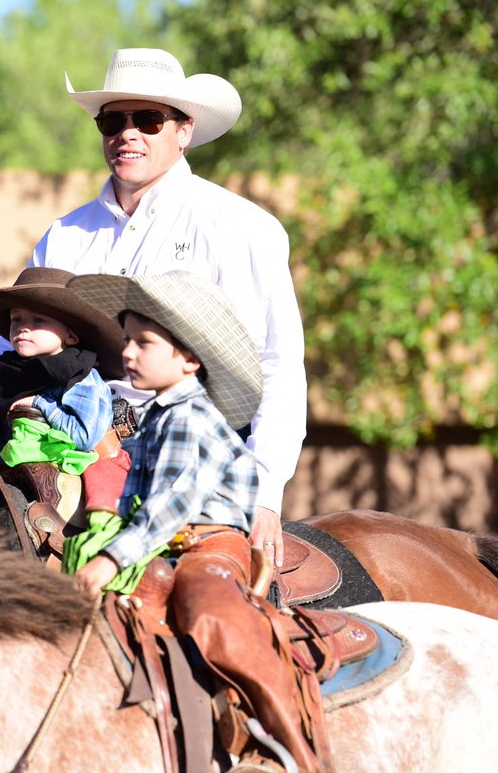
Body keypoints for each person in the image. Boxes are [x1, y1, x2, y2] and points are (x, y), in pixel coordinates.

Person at [0, 47, 306, 567]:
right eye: (113, 120)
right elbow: (15, 337)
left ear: (184, 130)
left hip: (189, 459)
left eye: (148, 119)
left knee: (202, 613)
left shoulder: (239, 227)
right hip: (69, 449)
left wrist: (265, 492)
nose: (127, 133)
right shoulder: (66, 235)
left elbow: (278, 364)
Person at [65, 271, 327, 773]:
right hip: (164, 546)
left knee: (209, 616)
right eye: (127, 341)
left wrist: (109, 558)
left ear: (188, 360)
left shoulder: (193, 418)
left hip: (211, 546)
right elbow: (134, 496)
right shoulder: (157, 417)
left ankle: (284, 740)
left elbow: (174, 504)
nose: (128, 354)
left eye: (144, 343)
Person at [0, 267, 129, 509]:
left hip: (78, 466)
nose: (23, 327)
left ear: (71, 336)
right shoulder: (9, 372)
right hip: (16, 464)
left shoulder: (82, 377)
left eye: (38, 320)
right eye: (16, 320)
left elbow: (84, 438)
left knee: (100, 512)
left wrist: (39, 404)